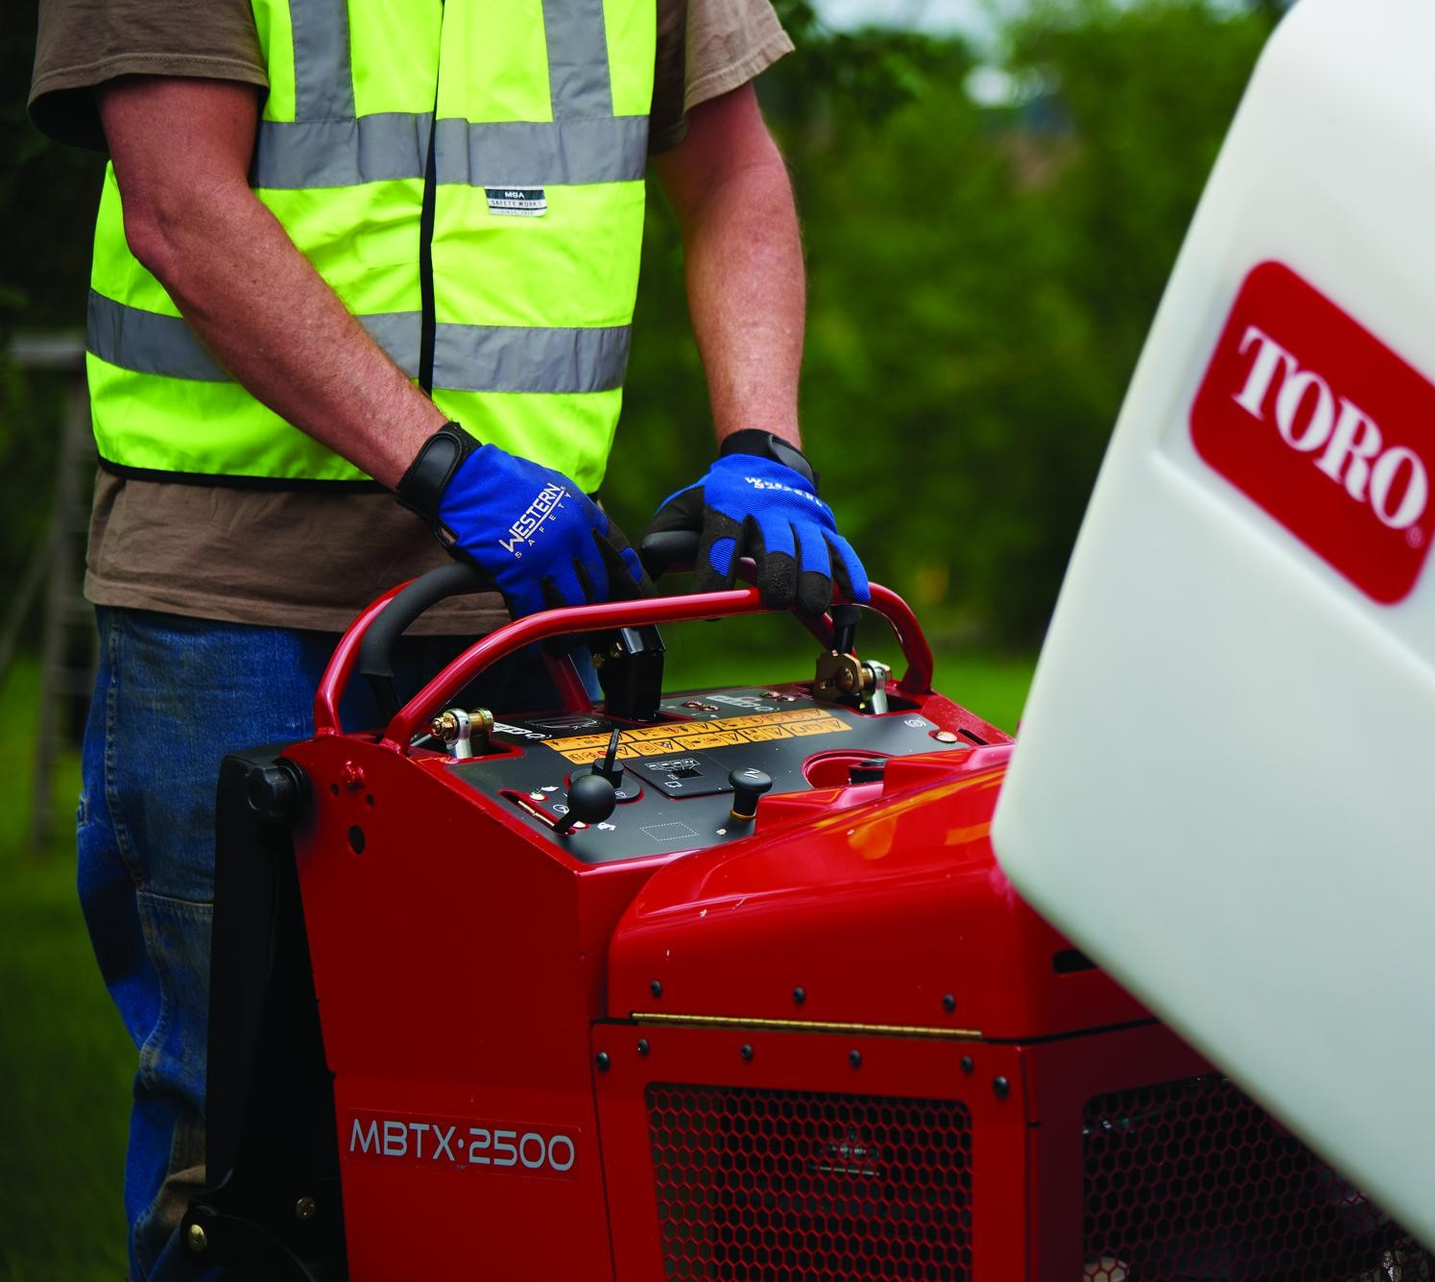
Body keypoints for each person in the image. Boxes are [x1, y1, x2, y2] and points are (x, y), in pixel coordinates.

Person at [29, 0, 868, 1275]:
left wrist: (764, 443)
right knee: (247, 1124)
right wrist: (445, 468)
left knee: (524, 1113)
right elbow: (181, 208)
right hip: (234, 603)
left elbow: (734, 170)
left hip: (522, 604)